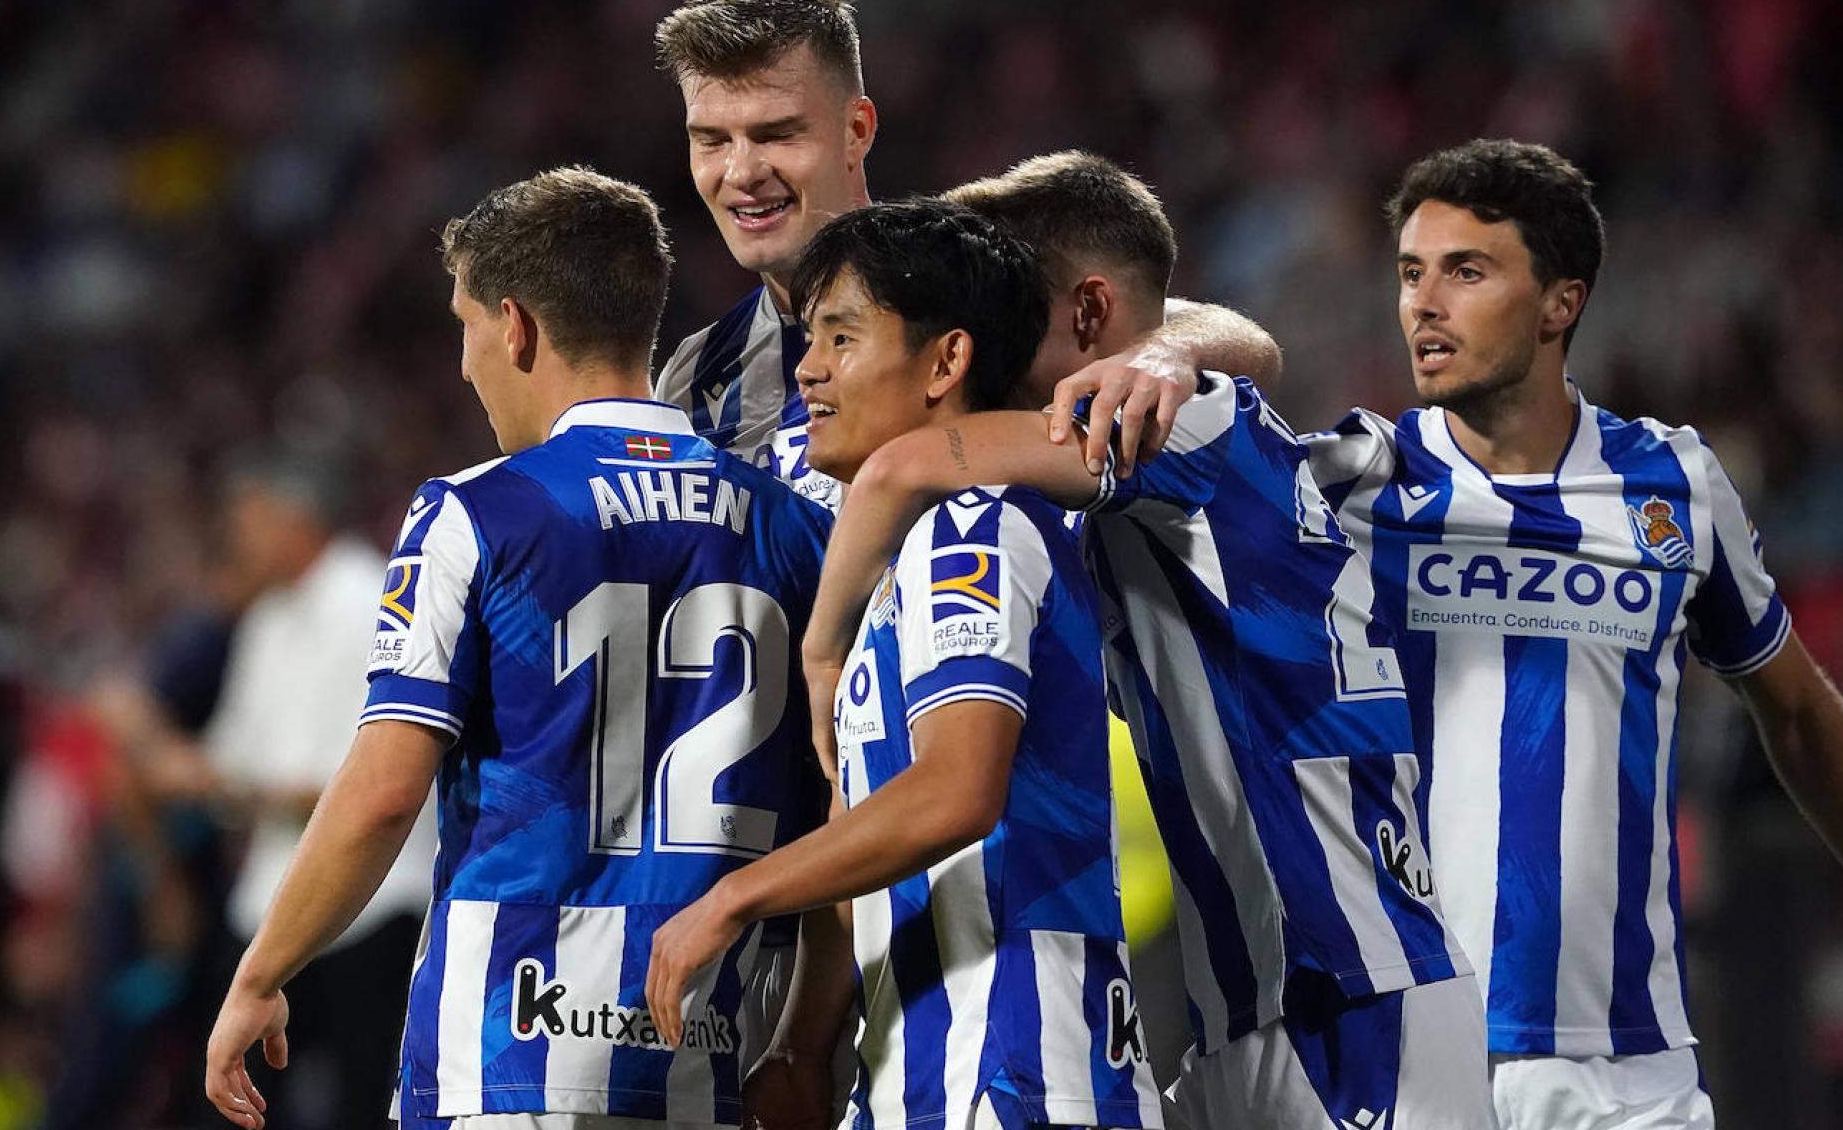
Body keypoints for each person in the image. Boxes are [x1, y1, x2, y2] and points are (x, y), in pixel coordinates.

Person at [784, 153, 1496, 1129]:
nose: (986, 346)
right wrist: (1172, 345)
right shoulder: (1158, 445)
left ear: (1085, 316)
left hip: (1352, 991)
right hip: (1242, 1010)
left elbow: (906, 462)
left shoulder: (1170, 424)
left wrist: (823, 644)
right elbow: (1244, 343)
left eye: (1008, 315)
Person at [204, 166, 833, 1130]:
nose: (463, 363)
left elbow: (380, 794)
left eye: (465, 324)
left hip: (507, 1053)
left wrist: (263, 969)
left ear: (517, 325)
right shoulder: (795, 528)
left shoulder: (476, 513)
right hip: (701, 1055)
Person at [1304, 138, 1843, 1129]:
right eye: (1411, 272)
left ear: (1560, 303)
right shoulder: (1353, 481)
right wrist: (1174, 356)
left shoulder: (1672, 485)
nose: (1423, 303)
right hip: (1407, 1055)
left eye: (1466, 271)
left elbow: (1793, 711)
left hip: (1628, 1070)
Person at [645, 200, 1163, 1130]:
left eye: (841, 338)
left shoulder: (977, 529)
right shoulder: (898, 566)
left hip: (1015, 1070)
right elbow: (868, 815)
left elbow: (955, 791)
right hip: (922, 1073)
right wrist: (804, 1043)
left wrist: (734, 897)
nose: (807, 369)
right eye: (809, 338)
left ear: (946, 361)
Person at [650, 0, 1284, 507]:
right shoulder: (697, 376)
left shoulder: (961, 278)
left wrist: (1166, 354)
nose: (741, 174)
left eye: (776, 135)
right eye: (711, 141)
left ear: (857, 130)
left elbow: (1239, 347)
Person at [194, 449, 438, 1130]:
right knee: (239, 1108)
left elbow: (355, 784)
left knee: (362, 1107)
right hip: (271, 904)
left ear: (292, 518)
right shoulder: (268, 619)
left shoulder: (372, 601)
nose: (236, 540)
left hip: (374, 906)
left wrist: (223, 783)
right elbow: (232, 758)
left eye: (248, 521)